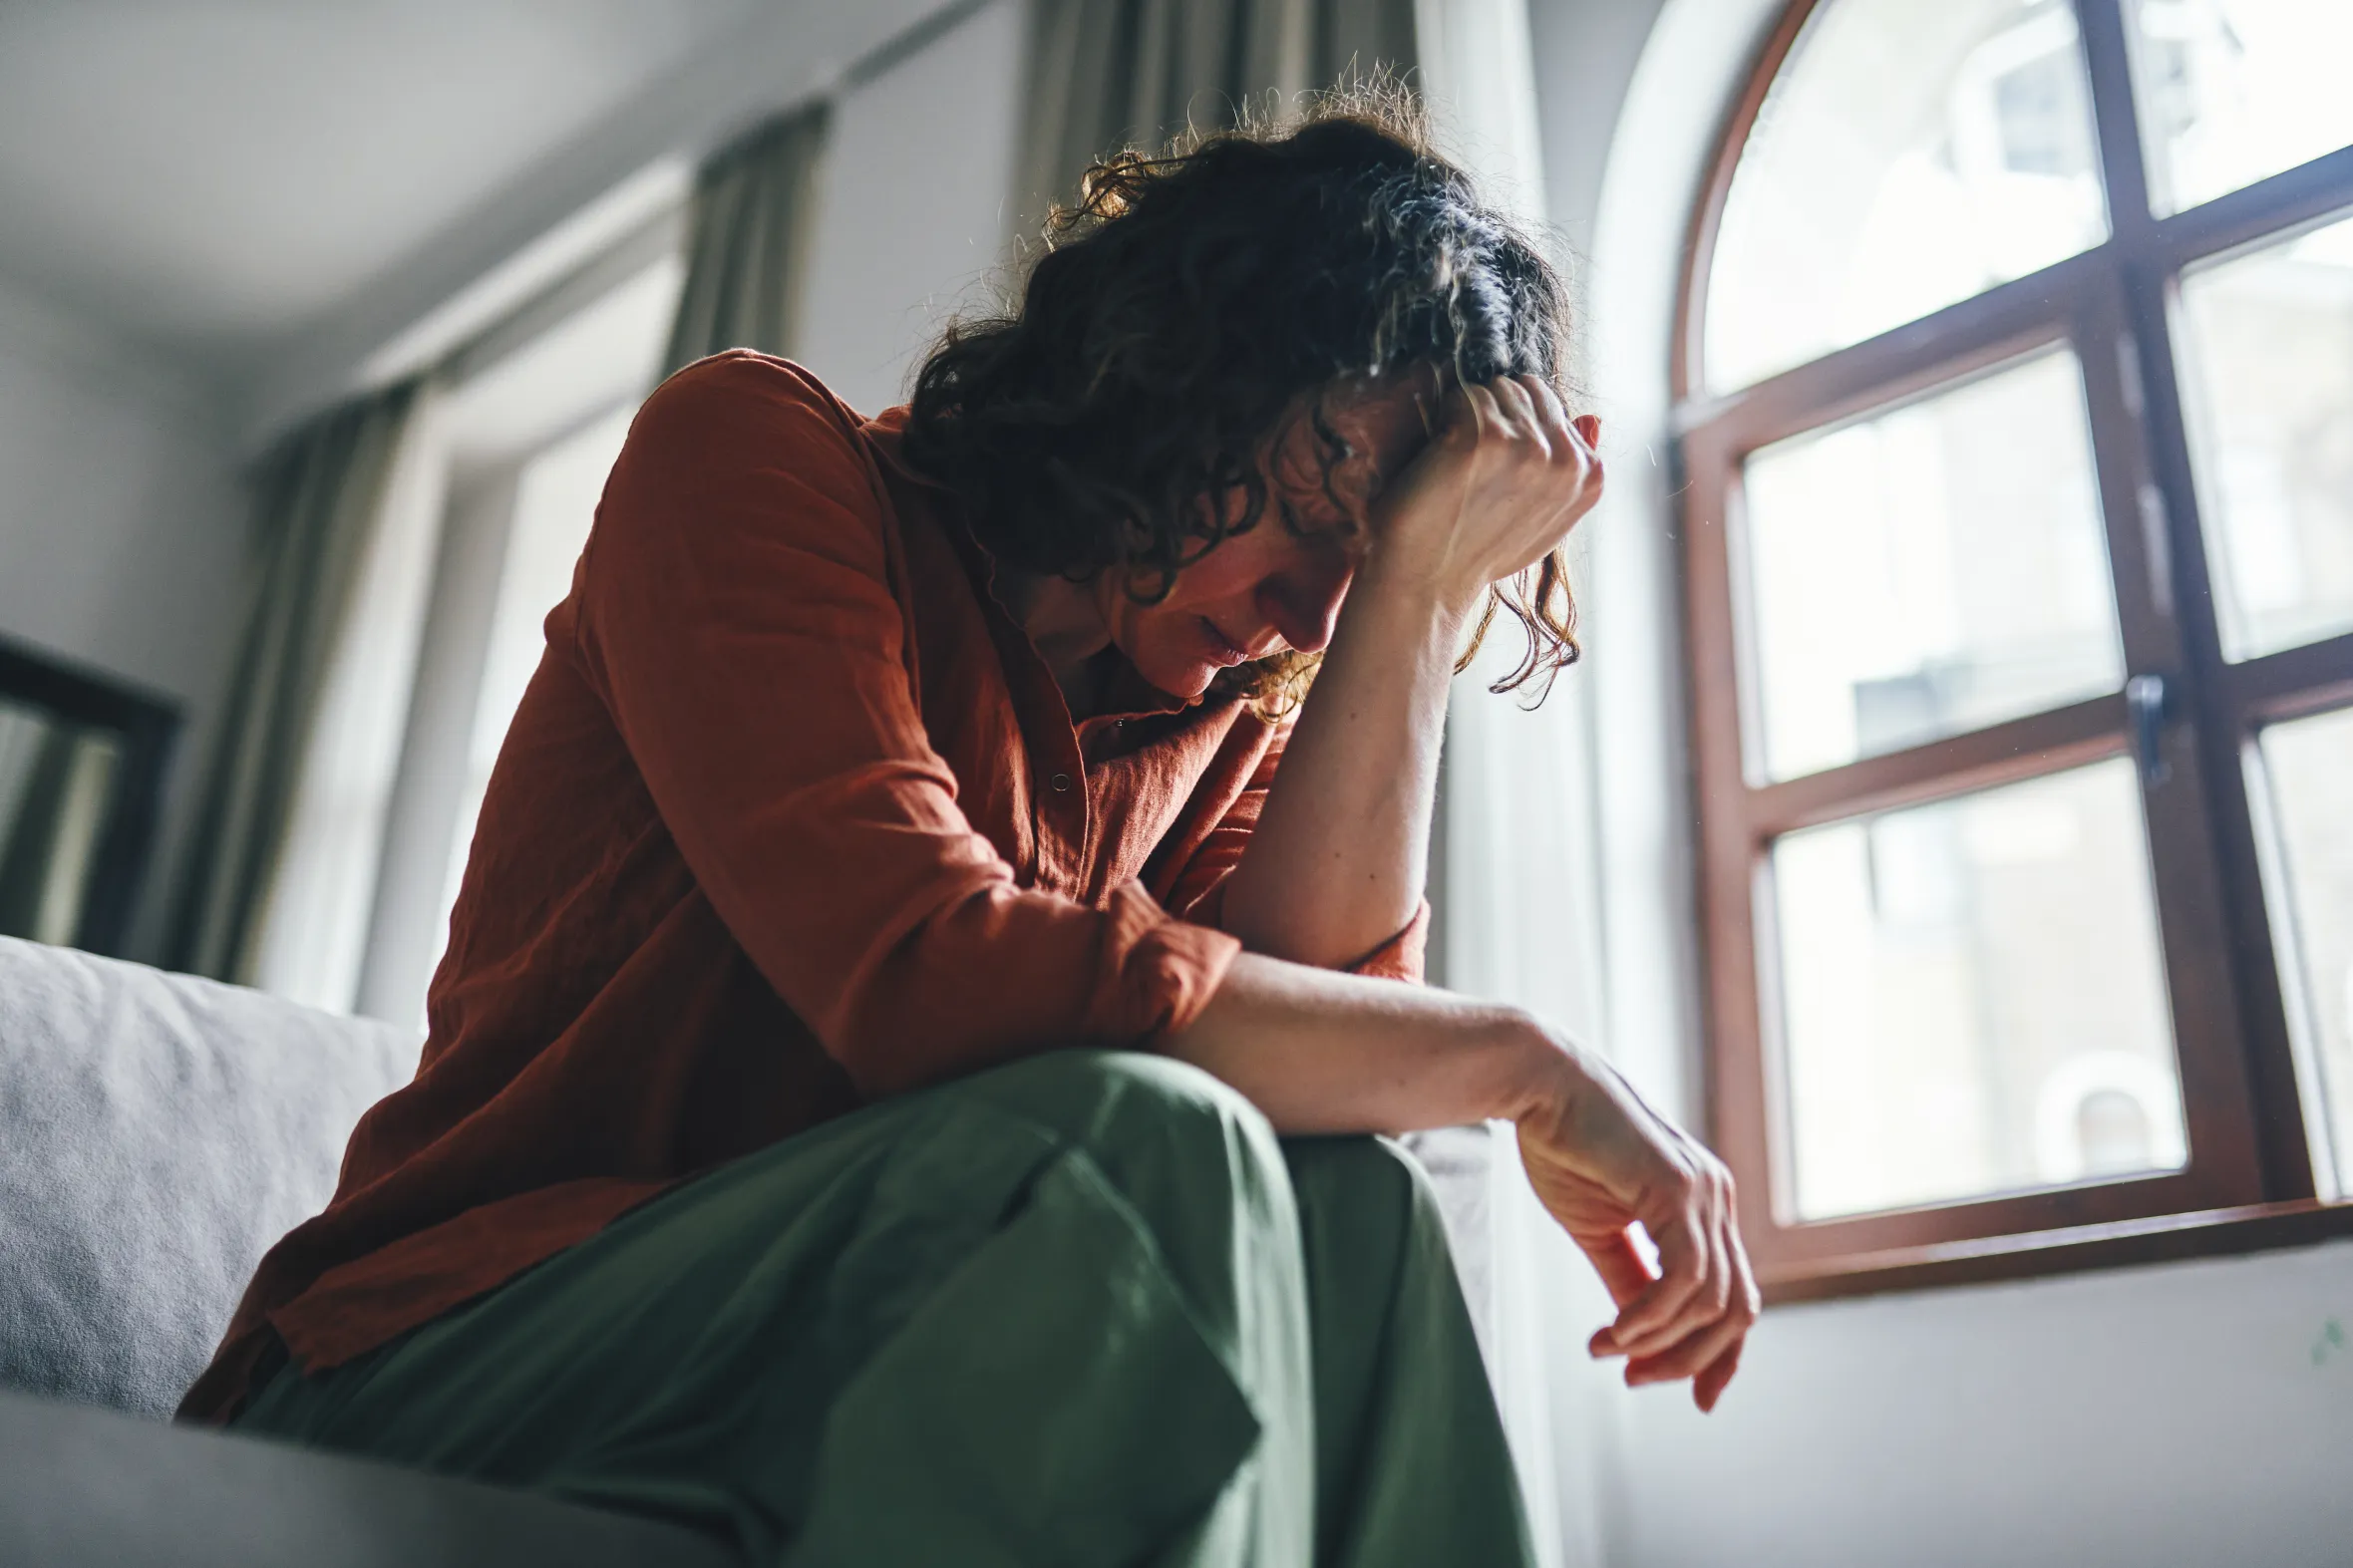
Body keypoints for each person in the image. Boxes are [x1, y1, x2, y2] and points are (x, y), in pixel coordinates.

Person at [183, 90, 1758, 1565]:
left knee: (1352, 1203)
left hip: (857, 1355)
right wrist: (1529, 1064)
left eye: (1375, 565)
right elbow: (927, 976)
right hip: (442, 1351)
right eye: (1312, 516)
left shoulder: (1230, 707)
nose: (1310, 614)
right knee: (1151, 1133)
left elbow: (1322, 1095)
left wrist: (1416, 602)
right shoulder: (759, 458)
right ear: (1176, 371)